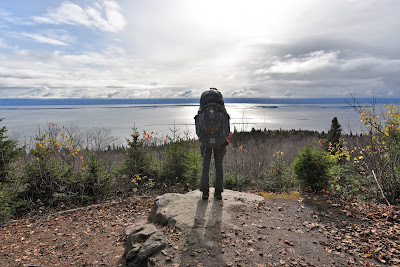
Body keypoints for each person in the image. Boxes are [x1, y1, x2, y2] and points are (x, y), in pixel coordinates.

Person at [195, 88, 232, 200]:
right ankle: (218, 193)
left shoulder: (203, 108)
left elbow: (198, 124)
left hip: (206, 140)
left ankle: (205, 193)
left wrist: (202, 138)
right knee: (218, 165)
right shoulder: (221, 109)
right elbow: (227, 126)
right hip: (220, 141)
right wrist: (224, 140)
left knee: (205, 165)